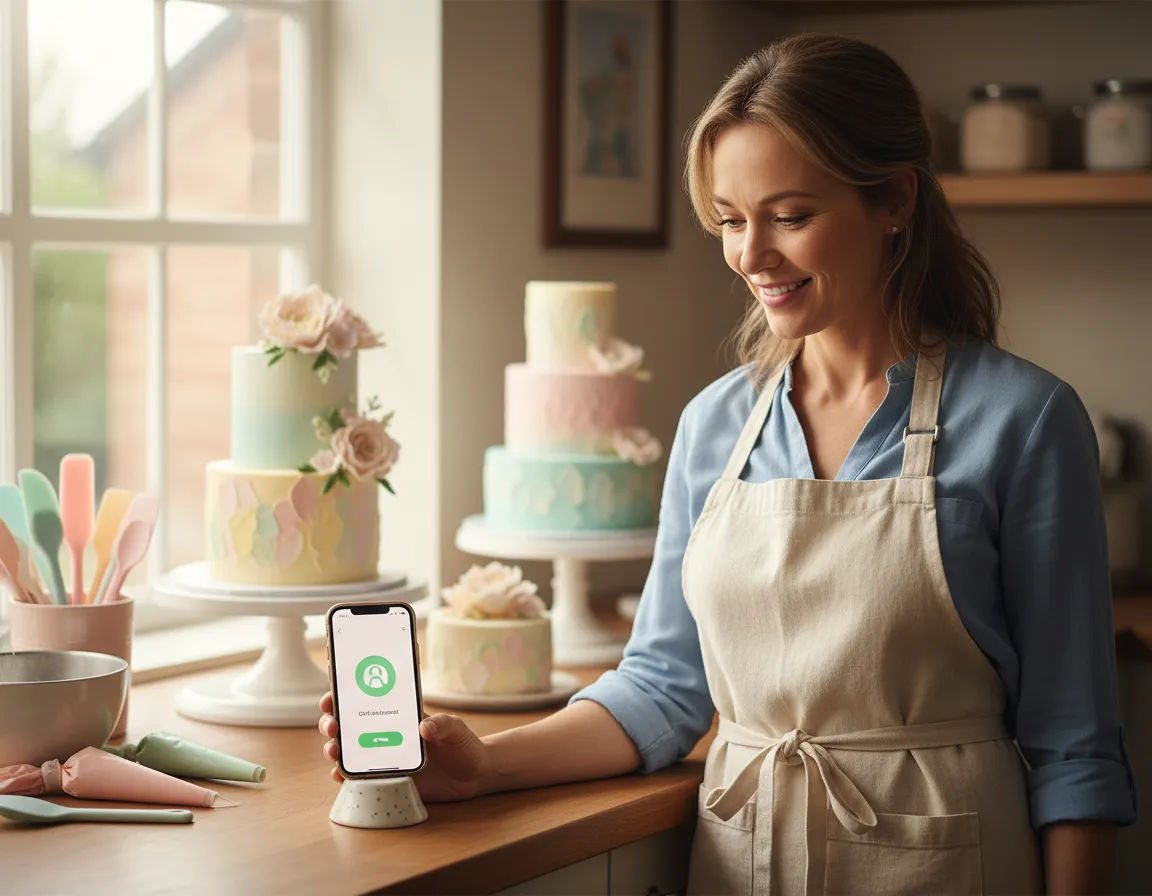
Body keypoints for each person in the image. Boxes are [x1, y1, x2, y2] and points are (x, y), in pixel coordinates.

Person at [319, 34, 1137, 894]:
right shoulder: (715, 424)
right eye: (731, 220)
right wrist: (485, 763)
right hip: (741, 861)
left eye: (789, 216)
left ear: (895, 201)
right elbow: (663, 687)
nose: (751, 256)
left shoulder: (1025, 421)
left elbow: (1074, 746)